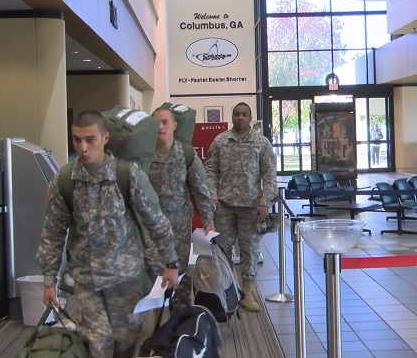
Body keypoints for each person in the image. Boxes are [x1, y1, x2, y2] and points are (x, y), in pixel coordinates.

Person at [36, 110, 179, 358]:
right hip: (85, 280)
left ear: (105, 138)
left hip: (123, 277)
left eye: (90, 139)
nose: (82, 147)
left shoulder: (127, 174)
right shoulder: (65, 180)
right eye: (76, 140)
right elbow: (52, 232)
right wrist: (49, 280)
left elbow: (155, 220)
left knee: (125, 344)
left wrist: (171, 263)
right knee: (98, 343)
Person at [204, 102, 277, 312]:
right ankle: (228, 288)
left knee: (250, 250)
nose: (240, 118)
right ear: (232, 116)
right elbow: (210, 171)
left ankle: (247, 292)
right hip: (224, 206)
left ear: (250, 117)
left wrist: (265, 203)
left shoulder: (261, 143)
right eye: (236, 114)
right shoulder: (220, 141)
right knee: (222, 248)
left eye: (244, 115)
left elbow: (270, 175)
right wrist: (213, 197)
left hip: (251, 207)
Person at [147, 107, 215, 310]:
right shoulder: (143, 157)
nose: (160, 127)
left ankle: (179, 323)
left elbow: (200, 191)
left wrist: (208, 221)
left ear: (175, 125)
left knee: (181, 275)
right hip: (149, 229)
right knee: (151, 279)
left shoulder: (186, 154)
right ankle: (153, 325)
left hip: (179, 228)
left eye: (165, 122)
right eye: (156, 123)